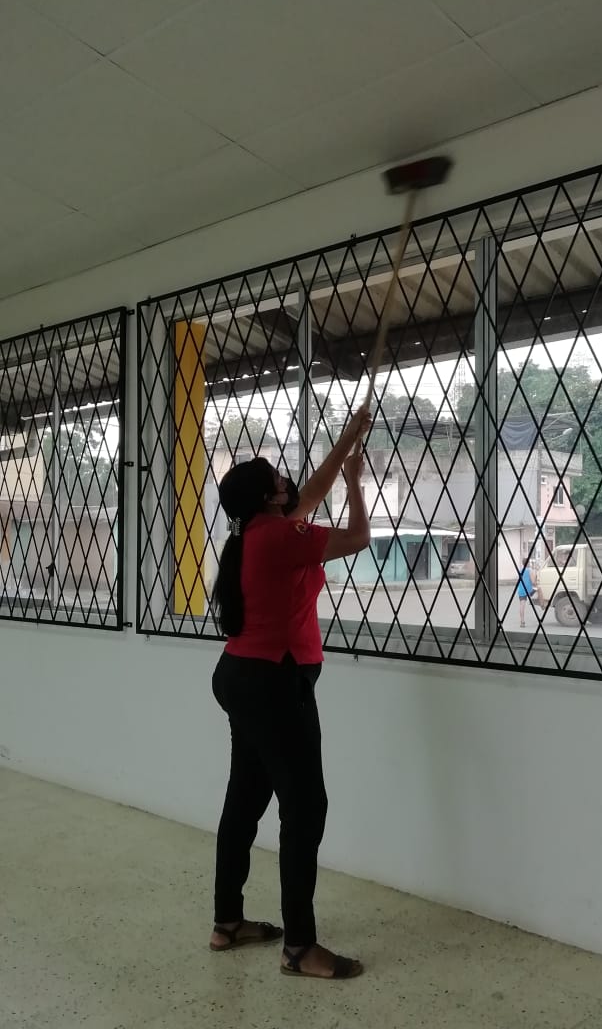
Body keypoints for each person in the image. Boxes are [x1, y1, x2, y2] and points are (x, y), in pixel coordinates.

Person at [208, 406, 372, 981]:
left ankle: (227, 923)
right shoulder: (280, 535)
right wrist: (356, 487)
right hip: (275, 683)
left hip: (241, 676)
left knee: (245, 799)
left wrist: (347, 445)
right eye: (277, 476)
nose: (286, 477)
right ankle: (299, 947)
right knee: (305, 808)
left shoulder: (256, 532)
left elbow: (312, 491)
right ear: (268, 497)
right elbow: (358, 537)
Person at [517, 557, 536, 627]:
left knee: (522, 606)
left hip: (521, 590)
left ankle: (522, 622)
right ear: (528, 563)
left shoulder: (520, 570)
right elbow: (533, 582)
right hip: (529, 590)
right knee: (538, 588)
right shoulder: (530, 570)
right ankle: (542, 604)